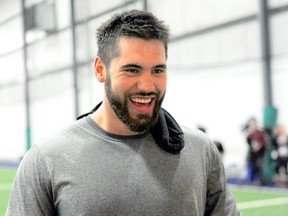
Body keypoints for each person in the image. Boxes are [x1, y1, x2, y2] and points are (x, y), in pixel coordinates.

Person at [6, 10, 240, 215]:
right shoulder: (47, 159)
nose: (147, 86)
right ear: (100, 70)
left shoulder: (200, 151)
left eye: (158, 70)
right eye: (132, 70)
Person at [243, 118, 266, 184]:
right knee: (251, 168)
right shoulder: (250, 135)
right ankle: (250, 181)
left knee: (259, 168)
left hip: (259, 155)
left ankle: (260, 181)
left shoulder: (260, 134)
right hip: (252, 155)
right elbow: (248, 142)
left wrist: (258, 147)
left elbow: (262, 144)